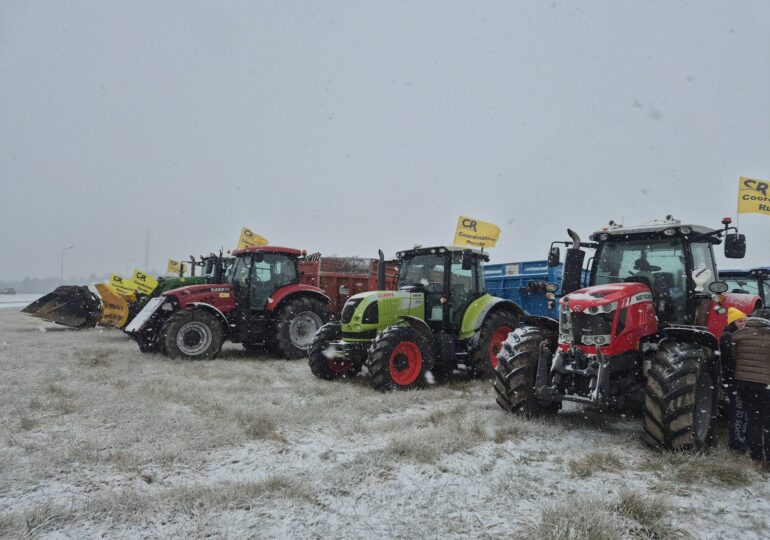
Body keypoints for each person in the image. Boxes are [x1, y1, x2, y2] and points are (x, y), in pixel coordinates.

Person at [732, 308, 770, 463]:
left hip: (745, 383)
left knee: (753, 419)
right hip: (766, 384)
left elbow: (734, 358)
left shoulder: (739, 335)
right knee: (767, 420)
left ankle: (756, 456)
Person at [722, 307, 748, 452]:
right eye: (739, 321)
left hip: (739, 378)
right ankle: (737, 442)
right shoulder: (728, 338)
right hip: (734, 379)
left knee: (742, 410)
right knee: (738, 411)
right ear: (732, 323)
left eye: (744, 321)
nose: (743, 324)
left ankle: (741, 440)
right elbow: (730, 361)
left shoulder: (739, 336)